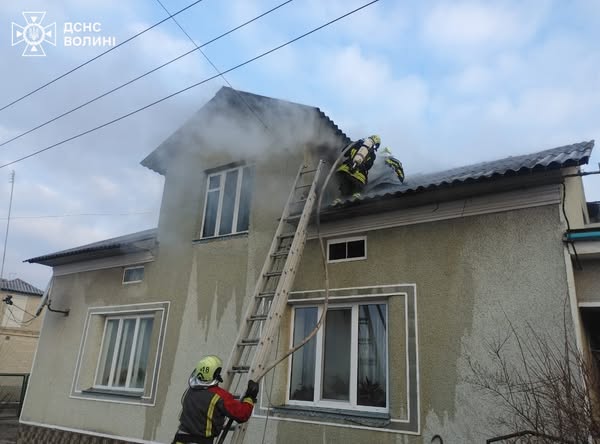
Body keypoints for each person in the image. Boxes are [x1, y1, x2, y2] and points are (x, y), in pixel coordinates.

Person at [173, 355, 259, 444]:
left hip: (179, 440)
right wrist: (250, 397)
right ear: (216, 374)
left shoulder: (190, 391)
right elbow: (242, 414)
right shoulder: (219, 396)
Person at [333, 135, 381, 205]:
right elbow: (368, 166)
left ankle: (338, 201)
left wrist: (354, 145)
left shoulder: (356, 145)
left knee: (344, 190)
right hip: (359, 176)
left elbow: (345, 153)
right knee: (357, 191)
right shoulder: (372, 154)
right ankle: (355, 200)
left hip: (345, 170)